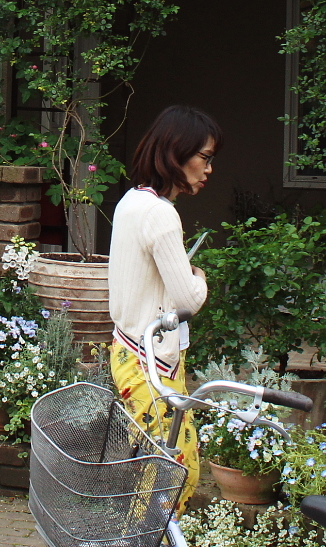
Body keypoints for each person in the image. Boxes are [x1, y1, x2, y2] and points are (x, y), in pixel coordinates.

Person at [108, 104, 218, 498]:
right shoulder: (161, 214)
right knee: (175, 476)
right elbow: (188, 299)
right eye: (203, 158)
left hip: (130, 350)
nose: (208, 170)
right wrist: (199, 278)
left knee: (154, 475)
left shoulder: (131, 202)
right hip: (149, 361)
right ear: (175, 153)